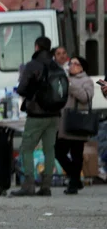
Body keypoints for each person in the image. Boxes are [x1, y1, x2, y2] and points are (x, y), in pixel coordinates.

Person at [10, 36, 62, 197]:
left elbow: (21, 89)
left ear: (37, 47)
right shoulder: (56, 65)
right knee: (49, 150)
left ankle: (28, 185)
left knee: (26, 148)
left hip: (36, 114)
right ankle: (46, 186)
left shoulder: (32, 65)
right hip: (54, 114)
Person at [56, 55, 94, 195]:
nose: (71, 66)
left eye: (75, 63)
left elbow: (85, 97)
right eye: (70, 63)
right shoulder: (65, 79)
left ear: (81, 67)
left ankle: (73, 184)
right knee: (58, 152)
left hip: (77, 122)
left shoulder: (87, 81)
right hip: (64, 122)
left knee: (76, 154)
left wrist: (71, 86)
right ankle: (75, 177)